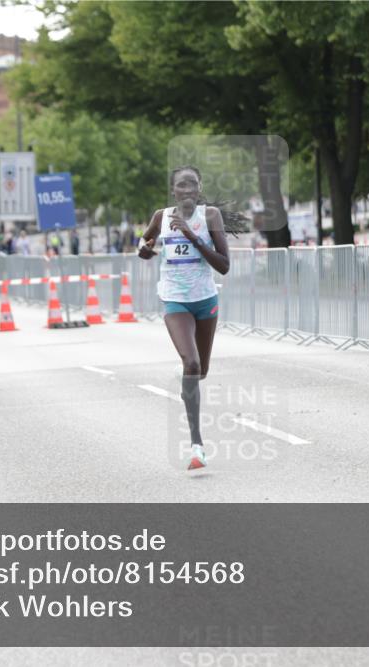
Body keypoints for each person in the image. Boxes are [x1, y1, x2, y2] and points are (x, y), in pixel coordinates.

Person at [137, 166, 234, 471]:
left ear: (199, 188)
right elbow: (144, 244)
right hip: (175, 299)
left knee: (200, 371)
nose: (188, 190)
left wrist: (192, 236)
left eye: (193, 184)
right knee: (190, 364)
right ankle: (197, 445)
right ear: (173, 190)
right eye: (182, 185)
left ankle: (187, 386)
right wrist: (146, 250)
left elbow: (224, 265)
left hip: (205, 300)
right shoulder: (161, 217)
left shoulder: (210, 217)